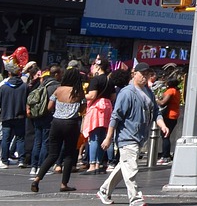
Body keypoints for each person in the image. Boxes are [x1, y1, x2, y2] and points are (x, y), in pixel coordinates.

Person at [98, 67, 155, 206]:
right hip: (127, 136)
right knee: (131, 167)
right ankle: (135, 198)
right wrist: (108, 137)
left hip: (140, 135)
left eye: (147, 74)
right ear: (134, 74)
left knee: (125, 165)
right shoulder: (126, 93)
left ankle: (104, 190)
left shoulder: (148, 92)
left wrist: (162, 124)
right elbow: (116, 116)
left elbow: (156, 111)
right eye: (143, 74)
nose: (145, 77)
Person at [31, 67, 87, 194]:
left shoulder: (58, 90)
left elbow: (50, 107)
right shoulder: (79, 92)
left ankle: (37, 179)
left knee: (52, 154)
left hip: (56, 123)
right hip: (71, 124)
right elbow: (83, 110)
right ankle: (64, 184)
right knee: (68, 154)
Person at [82, 82, 112, 174]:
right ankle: (98, 164)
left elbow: (92, 95)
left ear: (97, 67)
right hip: (107, 106)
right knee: (102, 136)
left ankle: (92, 165)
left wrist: (81, 95)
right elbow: (113, 96)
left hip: (96, 108)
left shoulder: (96, 79)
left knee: (94, 138)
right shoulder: (109, 81)